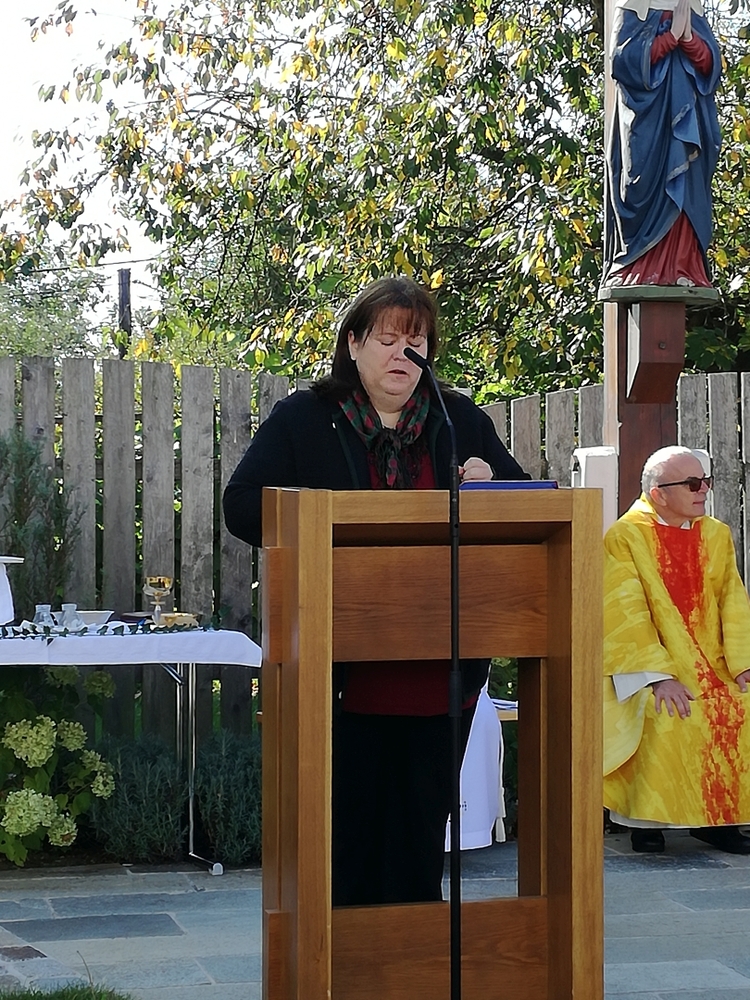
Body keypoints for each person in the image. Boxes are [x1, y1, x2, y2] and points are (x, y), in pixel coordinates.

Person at [223, 275, 529, 904]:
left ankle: (412, 951)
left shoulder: (458, 420)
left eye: (416, 342)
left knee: (418, 842)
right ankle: (344, 954)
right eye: (387, 339)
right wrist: (316, 513)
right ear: (354, 344)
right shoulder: (305, 418)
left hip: (440, 667)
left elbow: (528, 506)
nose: (402, 354)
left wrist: (491, 483)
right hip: (339, 663)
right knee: (348, 843)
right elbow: (243, 505)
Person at [603, 446, 750, 854]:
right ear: (659, 493)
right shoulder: (625, 536)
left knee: (738, 704)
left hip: (714, 662)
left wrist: (742, 664)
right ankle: (646, 823)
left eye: (705, 482)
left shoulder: (716, 534)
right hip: (650, 663)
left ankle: (720, 821)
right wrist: (659, 676)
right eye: (692, 484)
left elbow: (732, 600)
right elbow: (624, 610)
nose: (703, 490)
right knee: (666, 708)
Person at [602, 0, 722, 288]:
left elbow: (711, 66)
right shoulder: (632, 5)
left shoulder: (690, 6)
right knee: (640, 184)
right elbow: (622, 61)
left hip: (686, 120)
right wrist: (669, 39)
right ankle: (639, 266)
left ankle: (683, 266)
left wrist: (689, 39)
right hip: (647, 121)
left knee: (684, 186)